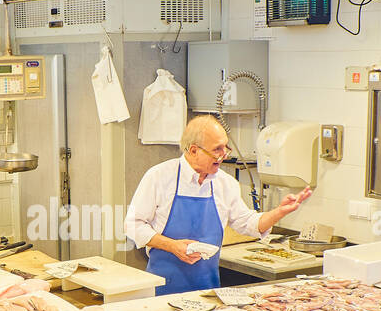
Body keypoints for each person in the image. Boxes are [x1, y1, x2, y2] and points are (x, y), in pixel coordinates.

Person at [124, 114, 312, 295]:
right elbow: (133, 225)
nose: (224, 155)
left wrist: (279, 212)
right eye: (216, 149)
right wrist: (172, 246)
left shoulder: (225, 183)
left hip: (208, 289)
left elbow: (248, 223)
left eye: (225, 148)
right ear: (193, 150)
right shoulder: (159, 176)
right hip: (163, 289)